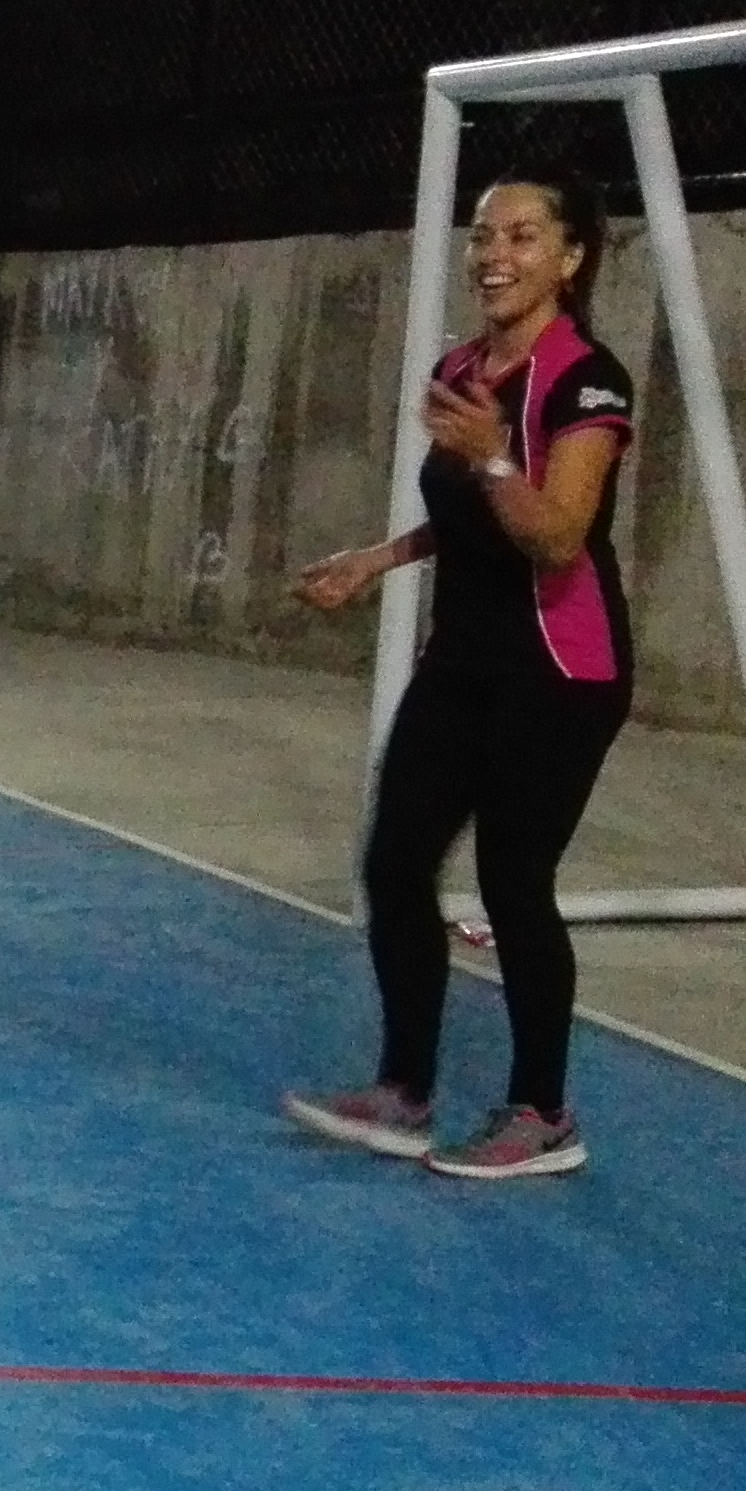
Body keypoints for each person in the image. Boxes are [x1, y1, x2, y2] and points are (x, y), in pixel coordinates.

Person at [286, 164, 638, 1181]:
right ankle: (403, 1092)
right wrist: (377, 557)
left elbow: (556, 536)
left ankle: (543, 1115)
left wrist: (490, 452)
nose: (493, 254)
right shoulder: (461, 367)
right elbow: (466, 517)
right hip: (463, 660)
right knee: (394, 862)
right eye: (483, 235)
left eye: (522, 236)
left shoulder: (587, 380)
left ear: (569, 258)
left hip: (559, 668)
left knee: (513, 883)